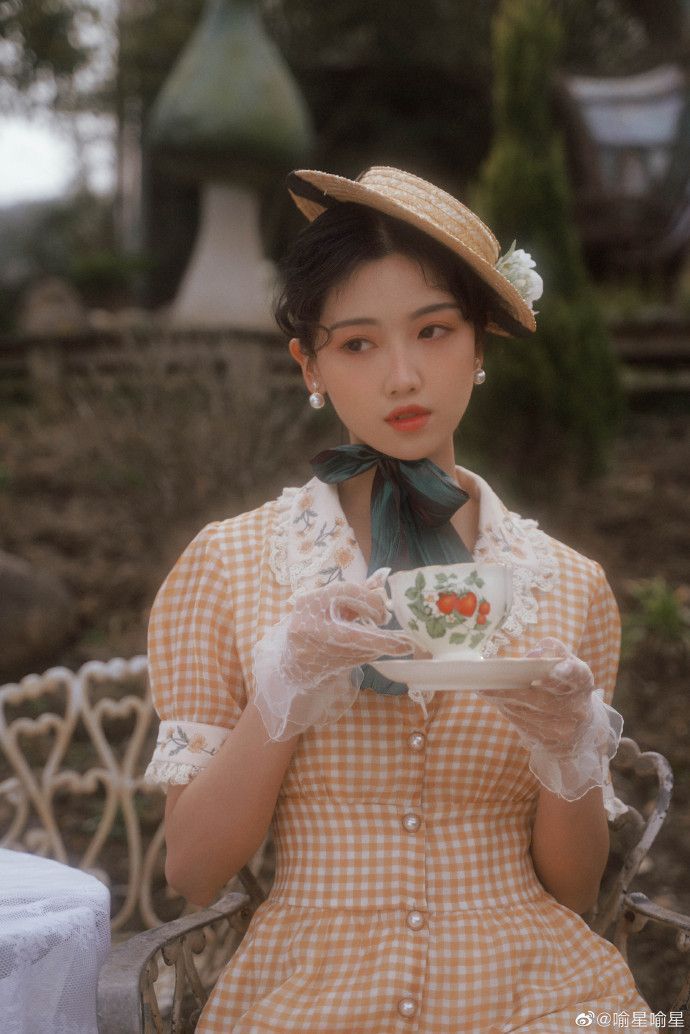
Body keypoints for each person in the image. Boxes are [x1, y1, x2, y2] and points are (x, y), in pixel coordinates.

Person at [144, 167, 651, 1032]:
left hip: (536, 994)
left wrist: (566, 748)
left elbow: (572, 887)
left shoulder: (567, 584)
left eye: (434, 331)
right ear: (309, 363)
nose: (404, 376)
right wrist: (285, 687)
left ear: (480, 345)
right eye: (358, 344)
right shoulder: (228, 565)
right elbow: (192, 871)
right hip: (314, 996)